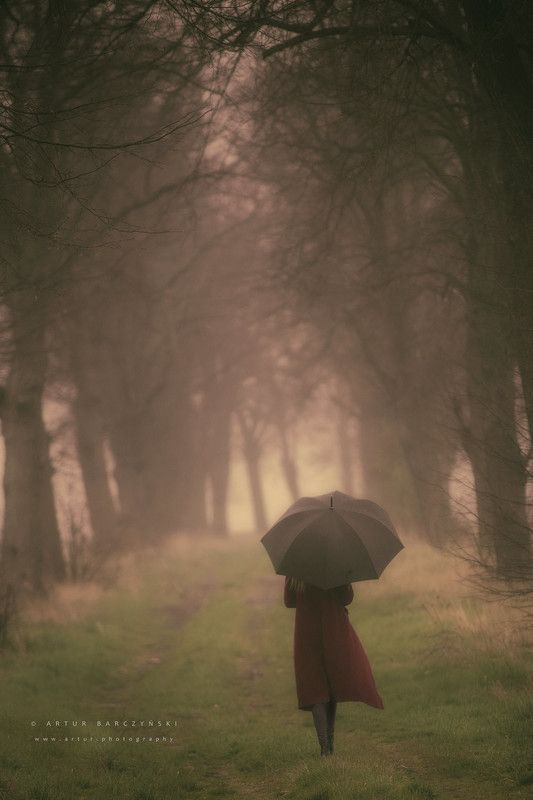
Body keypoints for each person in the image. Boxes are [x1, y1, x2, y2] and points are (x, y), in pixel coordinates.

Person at [284, 575, 384, 756]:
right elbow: (347, 598)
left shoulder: (296, 566)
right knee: (332, 682)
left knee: (314, 687)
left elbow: (289, 601)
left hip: (307, 630)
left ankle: (324, 749)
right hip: (334, 627)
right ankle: (329, 745)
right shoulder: (336, 563)